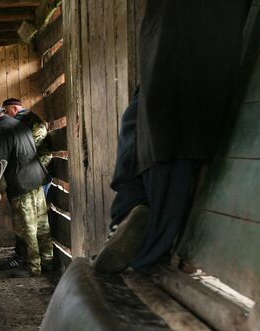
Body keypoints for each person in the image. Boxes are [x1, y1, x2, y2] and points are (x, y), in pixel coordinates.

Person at [93, 0, 250, 274]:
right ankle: (134, 232)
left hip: (178, 60)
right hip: (174, 55)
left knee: (161, 134)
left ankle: (140, 245)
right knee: (148, 127)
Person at [0, 103, 53, 277]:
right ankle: (48, 262)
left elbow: (0, 160)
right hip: (37, 177)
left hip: (22, 183)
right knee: (42, 224)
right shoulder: (17, 123)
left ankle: (33, 267)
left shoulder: (2, 129)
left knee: (26, 227)